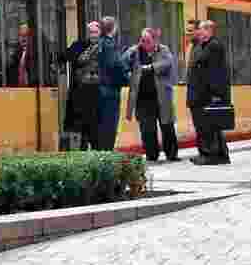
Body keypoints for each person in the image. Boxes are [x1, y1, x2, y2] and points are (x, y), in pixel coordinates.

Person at [124, 28, 179, 162]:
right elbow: (123, 62)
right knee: (147, 129)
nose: (144, 43)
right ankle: (151, 154)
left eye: (147, 40)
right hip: (142, 98)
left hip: (161, 96)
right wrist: (129, 52)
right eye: (142, 40)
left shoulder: (163, 50)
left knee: (167, 126)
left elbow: (168, 63)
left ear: (155, 40)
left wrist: (151, 67)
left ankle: (171, 154)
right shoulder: (135, 51)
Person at [187, 20, 231, 165]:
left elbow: (214, 72)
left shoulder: (213, 46)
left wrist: (215, 94)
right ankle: (217, 154)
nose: (198, 32)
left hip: (205, 94)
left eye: (200, 29)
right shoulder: (205, 46)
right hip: (202, 93)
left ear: (208, 31)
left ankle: (209, 154)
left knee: (206, 126)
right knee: (211, 126)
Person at [64, 22, 102, 149]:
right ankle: (81, 149)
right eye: (91, 32)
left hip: (96, 93)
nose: (93, 35)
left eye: (95, 32)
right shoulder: (78, 45)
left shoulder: (104, 47)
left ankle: (96, 149)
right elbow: (65, 56)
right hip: (80, 93)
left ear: (100, 33)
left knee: (94, 126)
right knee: (80, 126)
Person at [95, 17, 127, 151]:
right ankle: (107, 154)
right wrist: (126, 79)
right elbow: (116, 65)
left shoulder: (97, 44)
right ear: (113, 29)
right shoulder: (110, 44)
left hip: (97, 90)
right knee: (110, 125)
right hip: (110, 92)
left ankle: (99, 153)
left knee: (100, 125)